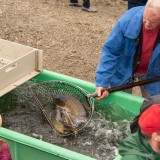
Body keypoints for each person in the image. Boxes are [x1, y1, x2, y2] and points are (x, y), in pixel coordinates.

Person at [95, 0, 160, 100]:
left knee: (155, 107)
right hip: (125, 68)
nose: (147, 24)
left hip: (154, 73)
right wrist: (102, 82)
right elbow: (111, 51)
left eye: (152, 22)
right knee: (120, 105)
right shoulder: (127, 20)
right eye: (145, 18)